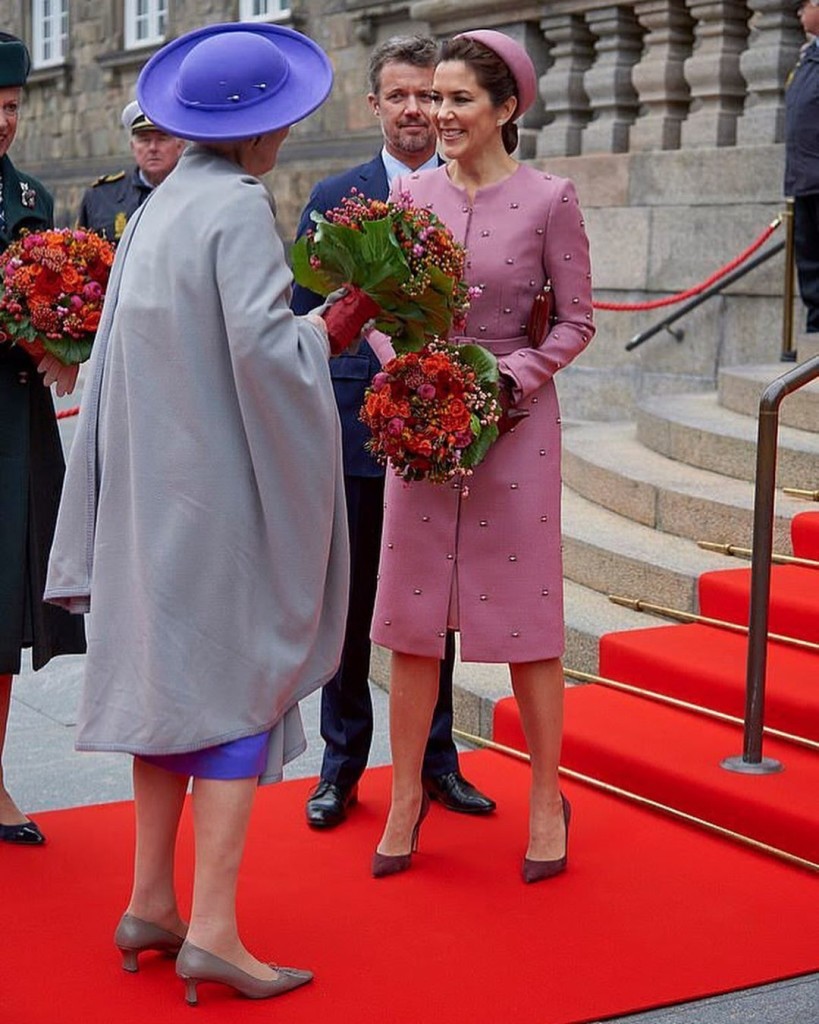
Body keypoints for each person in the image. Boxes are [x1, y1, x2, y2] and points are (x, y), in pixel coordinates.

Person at [44, 22, 366, 1005]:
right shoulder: (233, 205)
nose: (288, 133)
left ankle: (151, 900)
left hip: (151, 493)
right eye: (285, 120)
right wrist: (331, 329)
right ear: (261, 130)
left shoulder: (159, 204)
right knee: (234, 691)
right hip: (217, 496)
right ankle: (215, 932)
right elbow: (265, 358)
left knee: (170, 693)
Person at [369, 30, 595, 881]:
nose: (438, 112)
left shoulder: (550, 198)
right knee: (411, 619)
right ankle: (404, 795)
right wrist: (407, 376)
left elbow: (576, 320)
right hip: (422, 425)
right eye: (434, 96)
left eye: (459, 98)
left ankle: (544, 796)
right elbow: (379, 306)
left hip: (515, 425)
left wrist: (509, 377)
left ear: (505, 109)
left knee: (528, 621)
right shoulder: (410, 194)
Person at [292, 34, 496, 830]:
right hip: (352, 433)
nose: (416, 109)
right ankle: (339, 767)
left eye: (428, 94)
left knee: (431, 607)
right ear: (373, 105)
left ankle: (436, 762)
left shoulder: (471, 187)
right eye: (400, 95)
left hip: (440, 433)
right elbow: (301, 320)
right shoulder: (335, 195)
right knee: (348, 611)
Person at [0, 32, 86, 846]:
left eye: (12, 106)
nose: (4, 120)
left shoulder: (29, 192)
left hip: (13, 426)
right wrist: (33, 340)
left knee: (2, 606)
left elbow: (48, 294)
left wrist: (65, 343)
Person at [76, 99, 185, 241]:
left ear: (180, 146)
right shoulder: (101, 197)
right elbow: (81, 249)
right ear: (133, 147)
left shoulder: (194, 193)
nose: (153, 148)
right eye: (145, 140)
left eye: (162, 139)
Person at [785, 0, 819, 336]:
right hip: (803, 180)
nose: (799, 13)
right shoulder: (807, 57)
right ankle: (815, 338)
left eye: (804, 4)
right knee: (810, 268)